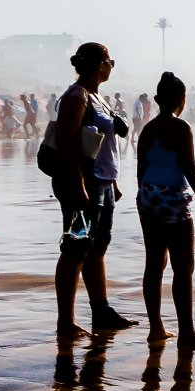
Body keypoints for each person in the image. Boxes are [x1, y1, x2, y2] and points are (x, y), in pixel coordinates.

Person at [51, 42, 135, 339]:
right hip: (83, 183)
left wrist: (112, 183)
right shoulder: (76, 97)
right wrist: (77, 184)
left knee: (97, 247)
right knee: (75, 248)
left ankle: (101, 310)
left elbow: (99, 144)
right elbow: (66, 143)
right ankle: (66, 321)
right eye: (110, 61)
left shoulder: (96, 97)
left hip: (101, 181)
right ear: (100, 65)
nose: (111, 66)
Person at [136, 72, 195, 349]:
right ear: (183, 100)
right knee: (183, 267)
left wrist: (145, 201)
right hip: (171, 197)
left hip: (147, 196)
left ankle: (156, 327)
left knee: (154, 264)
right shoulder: (181, 128)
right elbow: (189, 167)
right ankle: (187, 333)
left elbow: (140, 170)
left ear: (157, 100)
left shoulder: (147, 130)